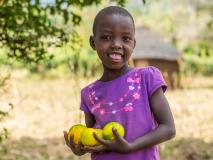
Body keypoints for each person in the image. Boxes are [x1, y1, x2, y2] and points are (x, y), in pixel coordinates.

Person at [63, 5, 176, 160]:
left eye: (125, 38)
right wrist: (81, 148)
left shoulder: (146, 78)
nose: (116, 44)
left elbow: (168, 128)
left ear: (133, 44)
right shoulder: (89, 94)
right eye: (106, 37)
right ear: (93, 42)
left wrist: (130, 147)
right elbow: (94, 139)